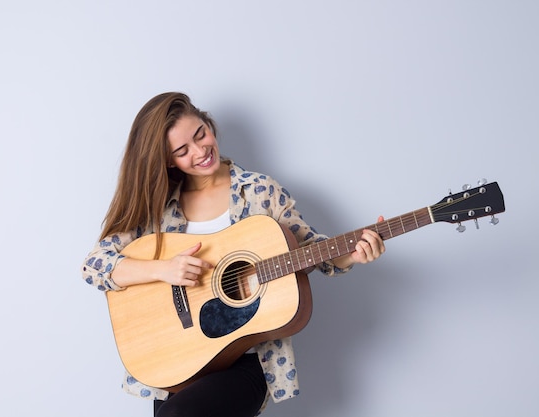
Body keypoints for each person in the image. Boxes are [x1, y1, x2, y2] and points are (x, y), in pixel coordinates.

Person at [81, 92, 386, 417]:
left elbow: (312, 252)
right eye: (183, 151)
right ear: (169, 160)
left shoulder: (260, 192)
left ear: (208, 123)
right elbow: (96, 266)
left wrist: (353, 253)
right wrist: (165, 270)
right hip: (177, 358)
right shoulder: (157, 208)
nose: (200, 151)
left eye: (201, 134)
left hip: (247, 360)